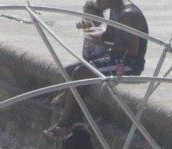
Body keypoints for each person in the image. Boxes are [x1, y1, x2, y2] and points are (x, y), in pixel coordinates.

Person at [47, 0, 149, 136]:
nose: (96, 1)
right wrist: (90, 30)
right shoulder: (115, 10)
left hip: (128, 64)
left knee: (80, 73)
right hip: (115, 57)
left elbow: (132, 50)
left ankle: (63, 123)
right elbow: (109, 36)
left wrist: (103, 43)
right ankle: (75, 118)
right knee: (69, 71)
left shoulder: (128, 14)